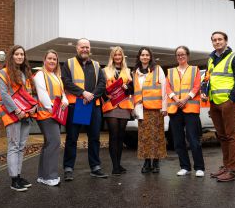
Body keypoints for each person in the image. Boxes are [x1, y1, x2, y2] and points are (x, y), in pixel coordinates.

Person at [201, 31, 235, 182]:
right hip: (214, 102)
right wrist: (204, 91)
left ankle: (232, 170)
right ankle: (226, 166)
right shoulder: (211, 58)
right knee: (222, 136)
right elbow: (207, 78)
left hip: (227, 102)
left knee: (231, 136)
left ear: (226, 41)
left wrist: (232, 99)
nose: (217, 42)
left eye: (220, 39)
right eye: (214, 40)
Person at [62, 38, 107, 181]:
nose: (85, 50)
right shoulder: (68, 63)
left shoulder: (96, 65)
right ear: (77, 48)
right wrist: (83, 93)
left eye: (87, 47)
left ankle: (95, 167)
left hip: (93, 105)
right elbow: (66, 82)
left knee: (94, 138)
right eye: (82, 47)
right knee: (72, 138)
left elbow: (102, 83)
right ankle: (68, 168)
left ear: (90, 49)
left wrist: (92, 96)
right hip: (77, 105)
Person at [0, 45, 36, 191]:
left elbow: (30, 94)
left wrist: (33, 107)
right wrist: (17, 110)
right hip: (13, 114)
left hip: (26, 114)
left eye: (22, 54)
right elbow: (4, 94)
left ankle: (18, 175)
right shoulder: (4, 73)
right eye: (17, 54)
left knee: (21, 146)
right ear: (11, 56)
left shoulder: (25, 73)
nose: (19, 57)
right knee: (13, 145)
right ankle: (14, 180)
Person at [166, 46, 205, 177]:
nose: (180, 56)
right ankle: (185, 167)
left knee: (193, 139)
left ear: (187, 56)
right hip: (175, 108)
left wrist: (186, 99)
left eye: (183, 54)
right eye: (178, 55)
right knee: (178, 140)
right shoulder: (170, 71)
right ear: (176, 57)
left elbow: (197, 86)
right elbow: (167, 87)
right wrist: (176, 99)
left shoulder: (195, 69)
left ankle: (199, 168)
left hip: (190, 107)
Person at [34, 50, 68, 186]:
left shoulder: (56, 76)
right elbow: (42, 95)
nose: (52, 61)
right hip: (47, 114)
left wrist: (65, 100)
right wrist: (54, 109)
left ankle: (43, 176)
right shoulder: (40, 75)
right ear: (44, 60)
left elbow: (62, 93)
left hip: (55, 114)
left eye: (55, 59)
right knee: (54, 143)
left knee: (49, 144)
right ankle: (50, 177)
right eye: (50, 58)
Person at [133, 47, 167, 173]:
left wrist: (164, 107)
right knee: (144, 138)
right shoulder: (135, 72)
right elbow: (136, 92)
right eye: (142, 55)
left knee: (157, 136)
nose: (145, 57)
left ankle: (156, 163)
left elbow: (164, 88)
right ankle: (147, 162)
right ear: (139, 57)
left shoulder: (158, 69)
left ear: (150, 57)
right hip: (142, 109)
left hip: (156, 109)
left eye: (147, 55)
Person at [102, 46, 134, 175]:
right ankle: (115, 166)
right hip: (111, 106)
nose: (117, 57)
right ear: (112, 57)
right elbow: (101, 87)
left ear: (122, 56)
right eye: (115, 55)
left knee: (121, 136)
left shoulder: (128, 71)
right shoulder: (105, 71)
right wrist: (106, 94)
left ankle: (118, 164)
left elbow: (133, 89)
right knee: (114, 135)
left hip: (124, 106)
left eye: (119, 55)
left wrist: (127, 88)